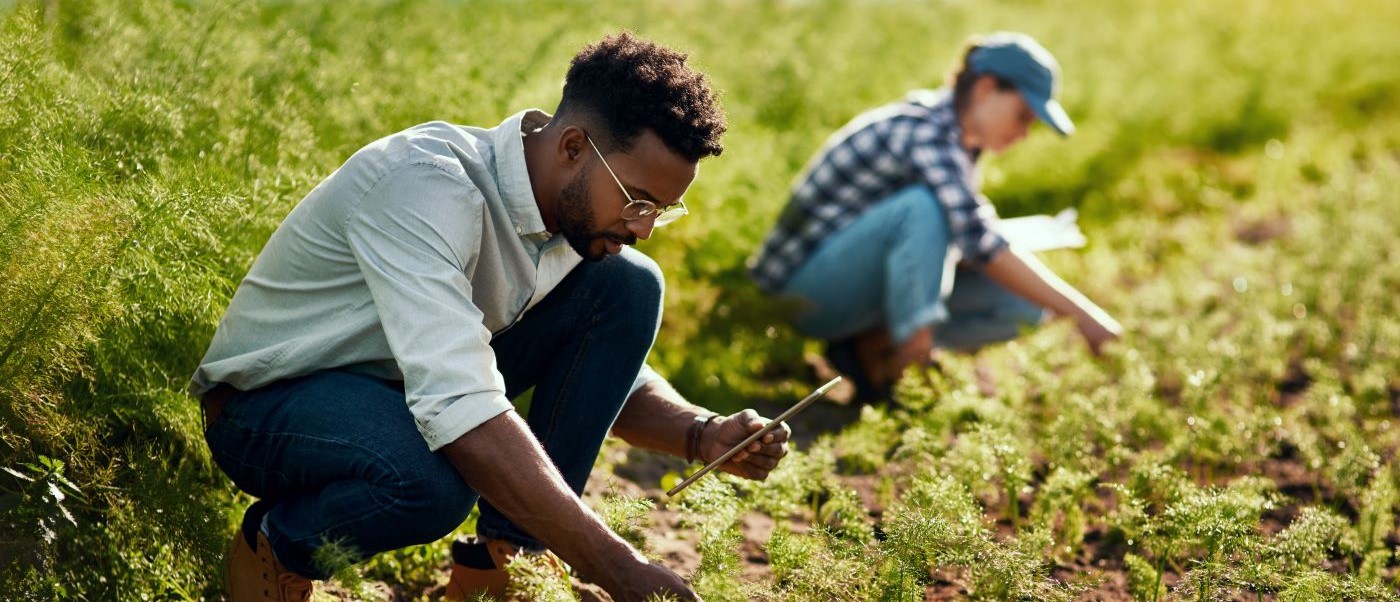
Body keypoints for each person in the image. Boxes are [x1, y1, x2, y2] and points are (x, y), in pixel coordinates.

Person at [191, 32, 791, 602]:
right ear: (574, 147)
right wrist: (615, 566)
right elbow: (462, 407)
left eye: (662, 208)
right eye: (637, 200)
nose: (643, 227)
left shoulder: (566, 212)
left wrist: (701, 432)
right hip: (272, 404)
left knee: (627, 287)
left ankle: (508, 564)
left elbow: (597, 375)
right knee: (429, 485)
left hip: (398, 386)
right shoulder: (427, 187)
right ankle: (277, 544)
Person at [748, 32, 1123, 403]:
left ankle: (868, 350)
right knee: (921, 207)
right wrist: (1086, 317)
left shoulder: (959, 143)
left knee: (1023, 305)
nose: (1025, 133)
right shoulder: (927, 132)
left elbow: (968, 240)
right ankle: (911, 369)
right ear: (985, 89)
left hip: (853, 290)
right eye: (1023, 115)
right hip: (802, 297)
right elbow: (980, 241)